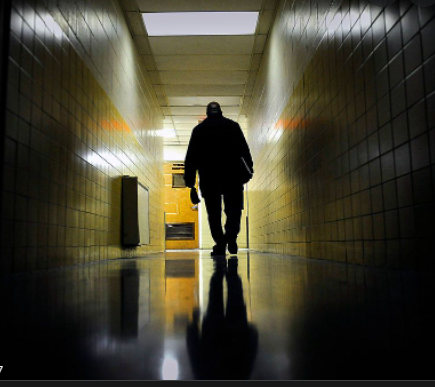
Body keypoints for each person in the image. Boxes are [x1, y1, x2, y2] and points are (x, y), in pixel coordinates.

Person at [184, 102, 254, 256]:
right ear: (221, 112)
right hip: (233, 177)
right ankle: (231, 237)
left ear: (207, 113)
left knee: (213, 214)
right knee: (234, 209)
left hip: (209, 179)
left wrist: (190, 183)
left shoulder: (199, 130)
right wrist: (249, 171)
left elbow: (191, 158)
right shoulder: (233, 126)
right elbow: (244, 151)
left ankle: (220, 244)